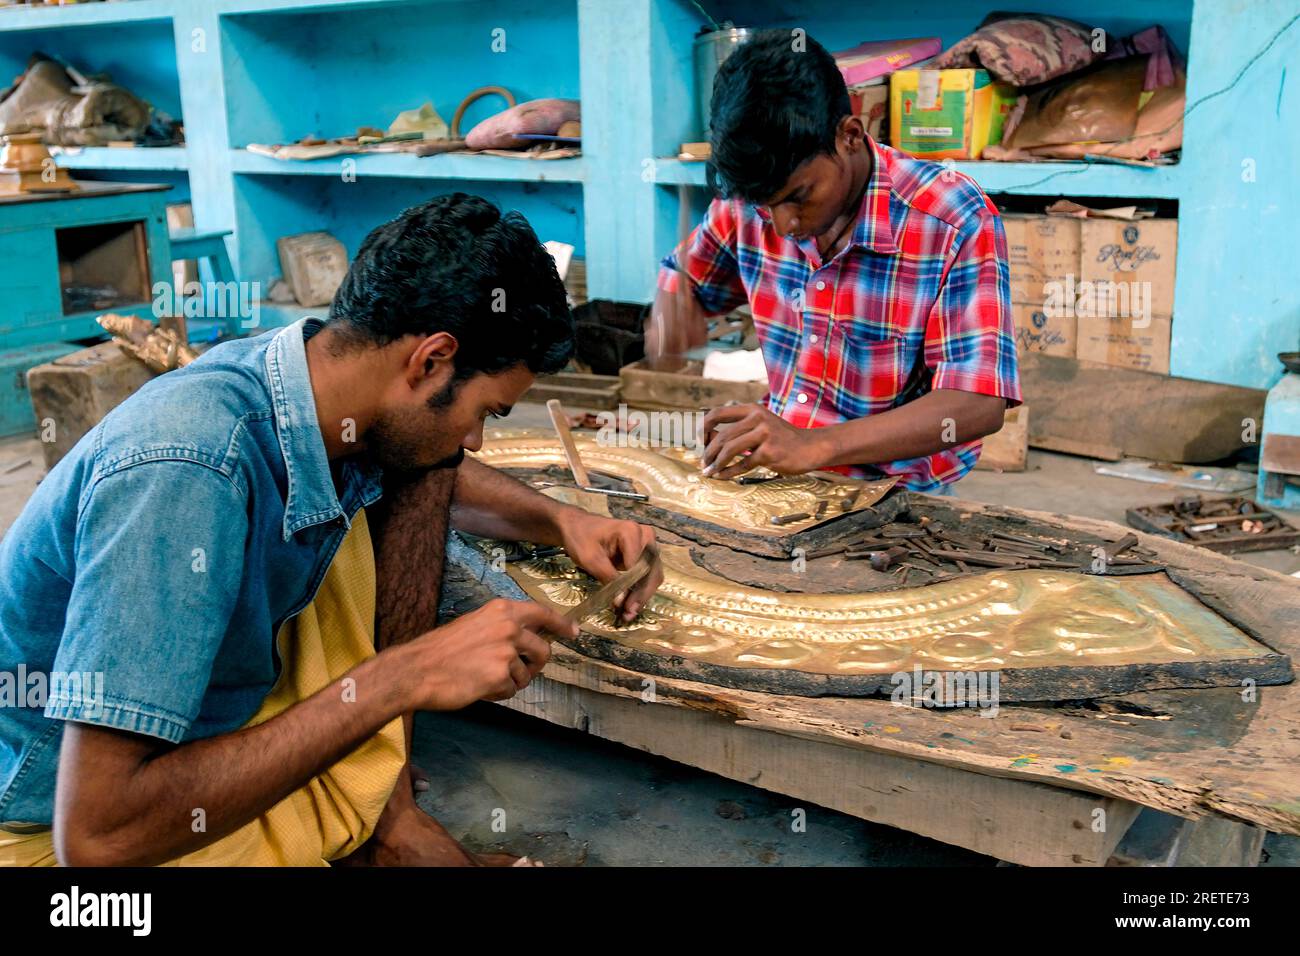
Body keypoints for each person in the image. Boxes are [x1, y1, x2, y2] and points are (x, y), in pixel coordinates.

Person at [0, 193, 661, 867]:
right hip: (66, 823)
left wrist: (563, 520)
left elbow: (435, 459)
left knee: (425, 462)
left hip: (210, 730)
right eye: (485, 411)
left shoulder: (315, 379)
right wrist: (403, 676)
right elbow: (95, 840)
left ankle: (387, 812)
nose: (480, 439)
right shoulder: (186, 472)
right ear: (431, 360)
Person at [649, 30, 1022, 493]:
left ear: (849, 136)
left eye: (799, 197)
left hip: (897, 489)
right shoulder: (753, 202)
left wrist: (814, 445)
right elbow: (682, 272)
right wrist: (672, 310)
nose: (783, 225)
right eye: (766, 207)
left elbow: (976, 402)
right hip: (779, 470)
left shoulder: (951, 218)